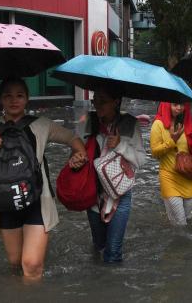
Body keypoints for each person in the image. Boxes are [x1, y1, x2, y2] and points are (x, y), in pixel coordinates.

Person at [0, 77, 87, 281]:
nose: (14, 100)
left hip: (37, 201)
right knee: (15, 264)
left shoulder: (41, 125)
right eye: (8, 96)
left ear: (27, 99)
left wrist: (79, 154)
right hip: (5, 204)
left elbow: (72, 138)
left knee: (32, 265)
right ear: (0, 99)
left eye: (19, 95)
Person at [76, 87, 146, 263]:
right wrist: (76, 158)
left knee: (113, 252)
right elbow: (77, 151)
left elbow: (141, 160)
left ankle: (113, 288)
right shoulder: (88, 121)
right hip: (93, 194)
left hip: (120, 195)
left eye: (103, 100)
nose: (97, 104)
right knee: (99, 246)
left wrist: (121, 145)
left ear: (116, 101)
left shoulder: (130, 123)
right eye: (95, 100)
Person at [150, 102, 192, 226]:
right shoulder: (158, 124)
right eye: (175, 104)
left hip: (188, 178)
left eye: (182, 105)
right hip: (169, 178)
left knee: (186, 219)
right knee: (181, 224)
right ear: (167, 105)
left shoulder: (188, 125)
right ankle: (183, 245)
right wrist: (172, 141)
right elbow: (155, 153)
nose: (179, 108)